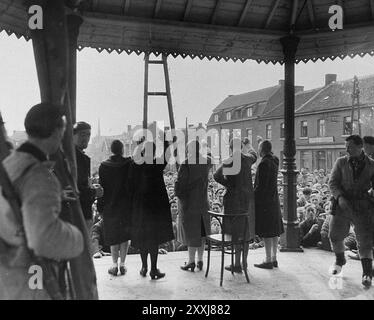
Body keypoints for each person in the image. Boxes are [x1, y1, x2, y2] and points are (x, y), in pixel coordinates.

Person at [0, 103, 83, 299]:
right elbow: (43, 238)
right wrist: (77, 237)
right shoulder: (39, 175)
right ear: (57, 131)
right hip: (29, 273)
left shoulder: (11, 162)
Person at [328, 135, 374, 288]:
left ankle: (367, 273)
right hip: (342, 204)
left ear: (360, 147)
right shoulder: (340, 162)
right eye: (346, 146)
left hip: (362, 206)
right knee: (334, 235)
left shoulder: (372, 165)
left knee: (365, 240)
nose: (346, 149)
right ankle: (340, 259)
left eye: (350, 146)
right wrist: (339, 197)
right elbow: (333, 183)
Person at [129, 140, 174, 280]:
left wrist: (138, 146)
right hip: (154, 208)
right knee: (153, 239)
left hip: (140, 208)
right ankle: (153, 269)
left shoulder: (136, 165)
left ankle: (144, 267)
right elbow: (168, 154)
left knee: (143, 238)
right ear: (153, 152)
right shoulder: (156, 164)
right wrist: (167, 142)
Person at [213, 138, 257, 273]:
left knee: (235, 233)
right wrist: (249, 145)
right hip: (246, 200)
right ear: (242, 147)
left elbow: (216, 175)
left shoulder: (229, 161)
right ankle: (244, 262)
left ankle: (236, 263)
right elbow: (254, 155)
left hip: (232, 201)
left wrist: (228, 184)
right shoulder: (248, 159)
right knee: (245, 232)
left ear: (231, 148)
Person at [175, 140, 211, 272]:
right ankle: (200, 260)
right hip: (203, 203)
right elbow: (209, 156)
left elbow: (180, 187)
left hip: (190, 204)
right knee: (202, 233)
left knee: (191, 234)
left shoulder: (185, 164)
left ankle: (191, 261)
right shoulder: (207, 161)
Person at [97, 140, 132, 276]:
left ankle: (113, 264)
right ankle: (123, 263)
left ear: (111, 150)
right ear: (122, 150)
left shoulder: (103, 166)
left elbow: (101, 189)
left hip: (110, 205)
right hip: (125, 205)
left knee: (113, 235)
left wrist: (100, 207)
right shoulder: (129, 164)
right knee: (124, 235)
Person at [253, 140, 284, 269]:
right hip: (274, 199)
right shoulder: (275, 161)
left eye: (259, 148)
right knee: (274, 231)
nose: (258, 151)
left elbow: (260, 187)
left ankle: (267, 260)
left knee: (266, 232)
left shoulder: (263, 164)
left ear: (262, 150)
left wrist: (252, 195)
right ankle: (274, 258)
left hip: (265, 202)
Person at [73, 121, 103, 232]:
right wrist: (94, 192)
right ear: (72, 136)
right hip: (79, 215)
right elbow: (76, 189)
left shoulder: (78, 155)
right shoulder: (77, 158)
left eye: (88, 135)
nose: (86, 138)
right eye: (82, 134)